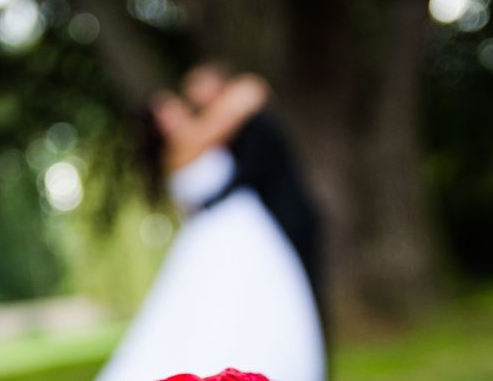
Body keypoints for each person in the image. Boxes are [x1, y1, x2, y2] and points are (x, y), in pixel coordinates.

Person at [95, 75, 325, 381]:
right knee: (222, 312)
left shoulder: (198, 137)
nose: (174, 114)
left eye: (172, 105)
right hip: (225, 237)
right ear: (156, 128)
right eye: (163, 114)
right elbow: (250, 93)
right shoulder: (187, 144)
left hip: (250, 231)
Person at [181, 62, 323, 308]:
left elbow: (249, 173)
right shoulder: (227, 131)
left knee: (304, 291)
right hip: (268, 221)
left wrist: (210, 202)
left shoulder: (254, 123)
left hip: (290, 217)